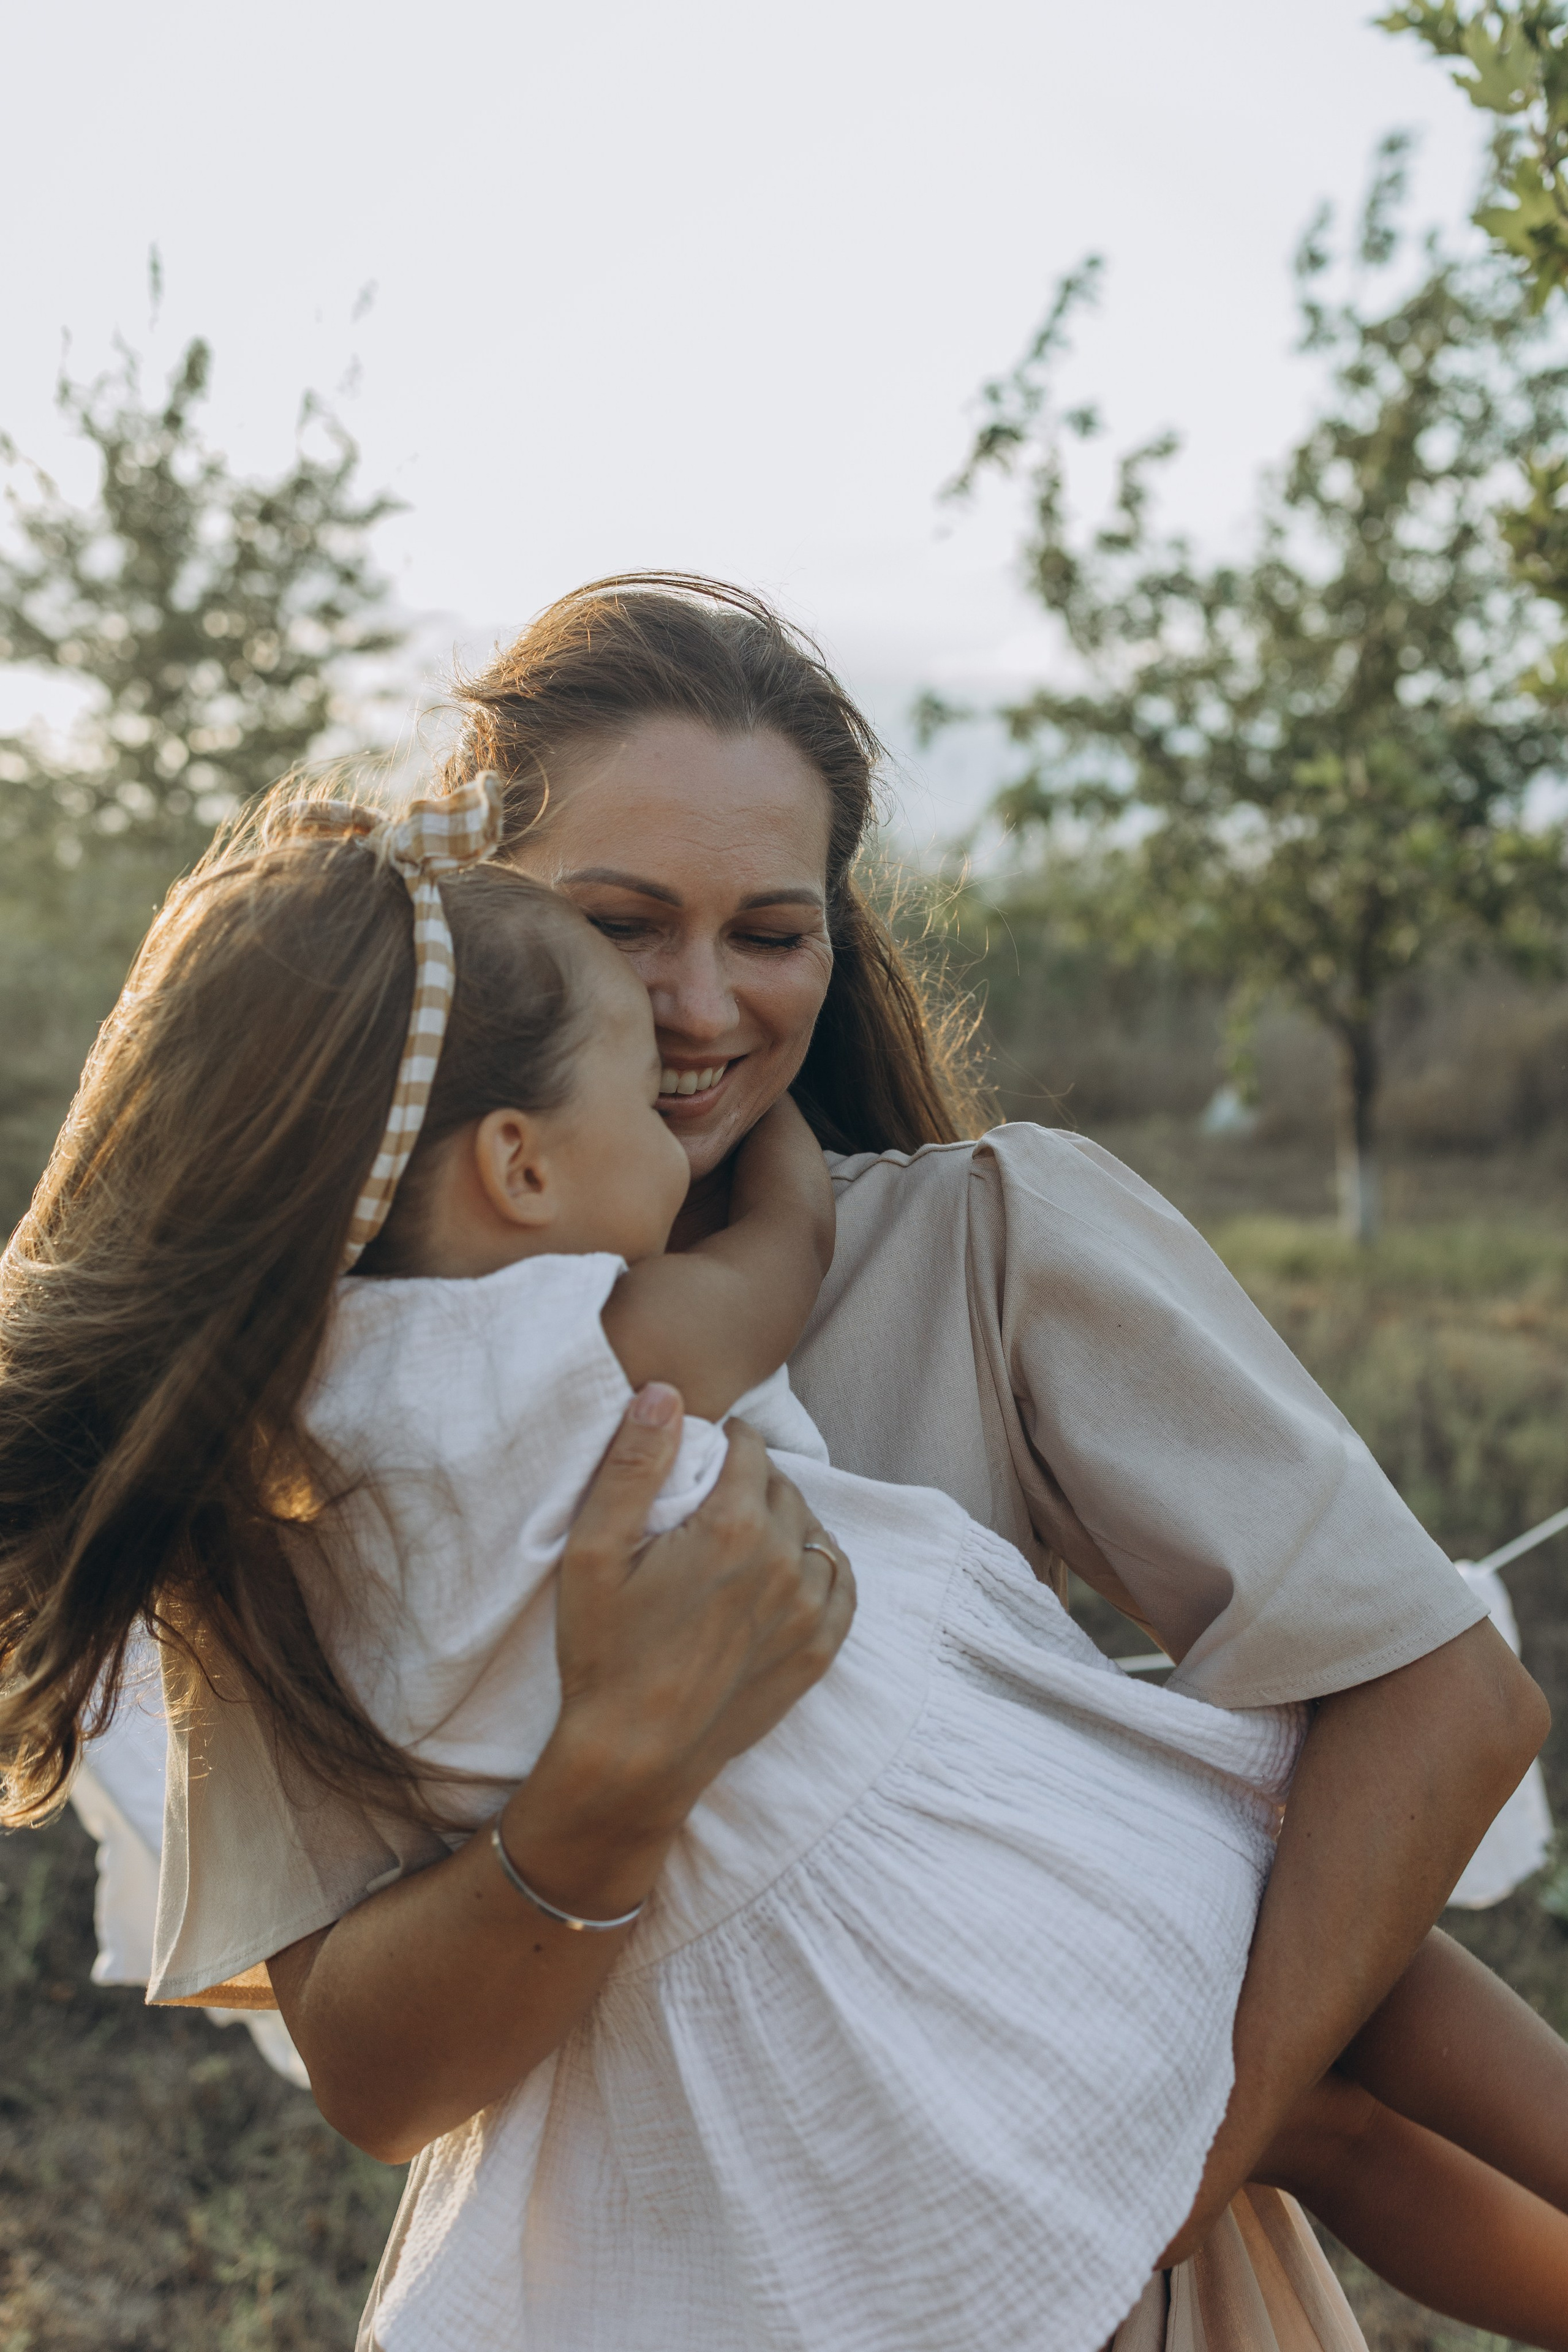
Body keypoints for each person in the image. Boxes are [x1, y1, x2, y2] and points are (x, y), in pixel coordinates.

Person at [0, 578, 1547, 2350]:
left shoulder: (990, 1243)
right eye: (623, 922)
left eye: (772, 933)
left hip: (1083, 2254)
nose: (698, 1003)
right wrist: (610, 1780)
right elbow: (374, 2076)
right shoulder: (300, 1462)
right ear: (497, 930)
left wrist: (1170, 2146)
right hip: (706, 2266)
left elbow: (1444, 1706)